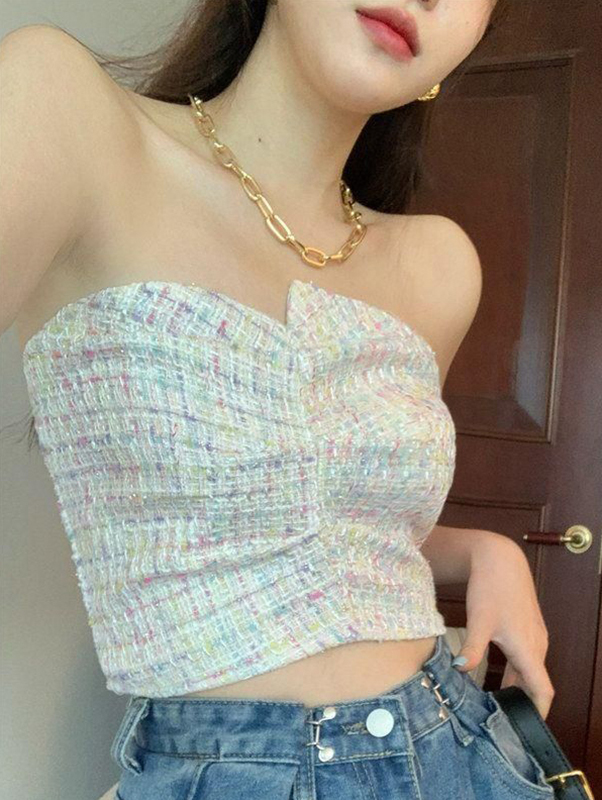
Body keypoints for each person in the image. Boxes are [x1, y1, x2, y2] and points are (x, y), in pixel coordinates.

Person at [0, 1, 555, 797]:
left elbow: (325, 519)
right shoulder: (70, 115)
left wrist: (484, 551)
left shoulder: (439, 266)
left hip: (456, 749)